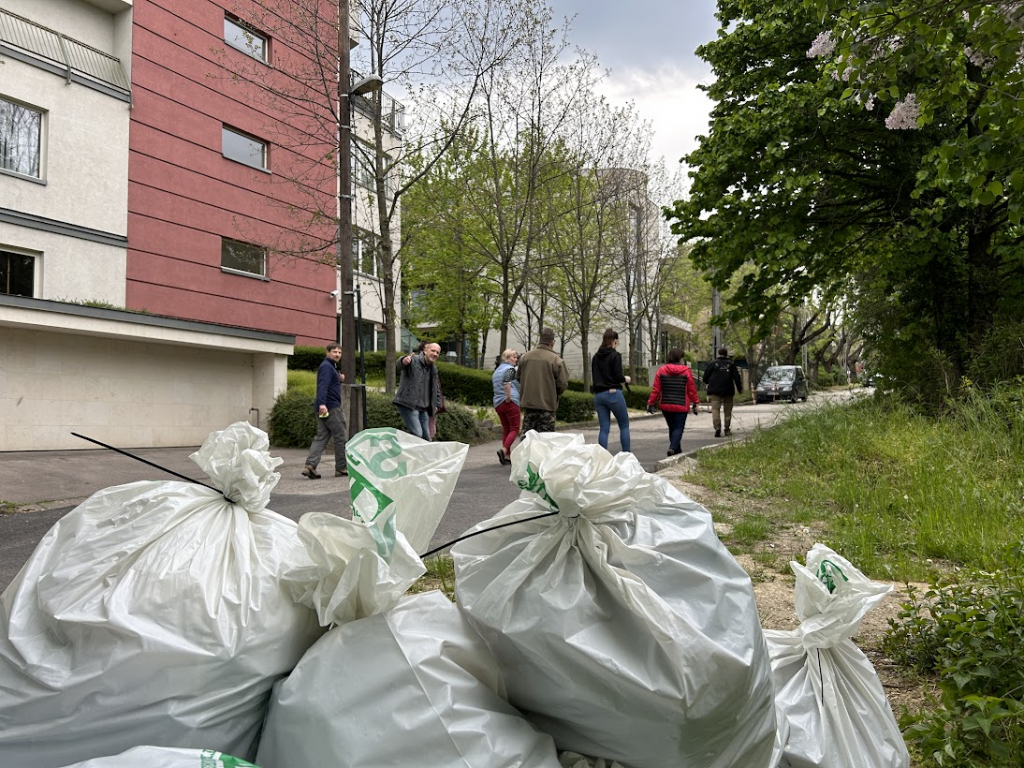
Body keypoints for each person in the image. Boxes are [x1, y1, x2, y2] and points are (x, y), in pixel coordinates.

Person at [302, 343, 347, 479]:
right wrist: (322, 404)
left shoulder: (330, 367)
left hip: (323, 407)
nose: (337, 354)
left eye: (339, 352)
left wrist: (339, 379)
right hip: (330, 407)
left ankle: (310, 466)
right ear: (327, 352)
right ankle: (341, 468)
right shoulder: (327, 366)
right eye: (334, 352)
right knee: (340, 436)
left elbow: (329, 384)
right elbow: (323, 386)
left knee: (322, 437)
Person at [647, 348, 700, 457]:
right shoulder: (686, 371)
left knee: (672, 428)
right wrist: (696, 402)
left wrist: (650, 403)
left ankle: (677, 450)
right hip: (681, 405)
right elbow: (691, 389)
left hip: (666, 405)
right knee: (678, 428)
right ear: (680, 358)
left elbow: (656, 389)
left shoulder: (662, 370)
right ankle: (672, 448)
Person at [516, 328, 568, 434]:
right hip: (547, 406)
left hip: (529, 405)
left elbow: (518, 378)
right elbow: (562, 384)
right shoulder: (556, 360)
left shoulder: (525, 357)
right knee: (545, 439)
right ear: (552, 342)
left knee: (527, 438)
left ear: (540, 340)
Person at [591, 328, 631, 453]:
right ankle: (626, 454)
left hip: (599, 395)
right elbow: (618, 376)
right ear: (614, 341)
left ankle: (602, 457)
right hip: (613, 394)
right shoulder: (615, 355)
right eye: (617, 341)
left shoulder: (595, 357)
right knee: (624, 425)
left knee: (604, 428)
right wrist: (626, 379)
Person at [393, 342, 442, 441]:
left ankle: (413, 449)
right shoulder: (413, 360)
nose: (435, 354)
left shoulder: (433, 369)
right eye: (433, 351)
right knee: (417, 434)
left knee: (426, 437)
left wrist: (436, 404)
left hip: (423, 407)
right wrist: (404, 361)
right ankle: (399, 444)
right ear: (425, 351)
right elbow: (399, 364)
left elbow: (435, 388)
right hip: (408, 404)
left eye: (437, 352)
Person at [703, 346, 743, 438]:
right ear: (726, 354)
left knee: (715, 409)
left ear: (719, 354)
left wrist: (709, 383)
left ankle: (717, 427)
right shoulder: (731, 364)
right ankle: (727, 429)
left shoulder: (713, 363)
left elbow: (705, 377)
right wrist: (739, 389)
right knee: (727, 410)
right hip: (728, 390)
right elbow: (737, 378)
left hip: (715, 390)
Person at [492, 349, 521, 465]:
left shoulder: (497, 371)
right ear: (507, 358)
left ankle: (507, 456)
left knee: (506, 429)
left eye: (516, 357)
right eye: (513, 357)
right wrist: (508, 397)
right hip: (510, 402)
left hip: (498, 403)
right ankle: (504, 450)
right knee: (514, 429)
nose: (516, 359)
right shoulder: (510, 369)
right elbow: (506, 382)